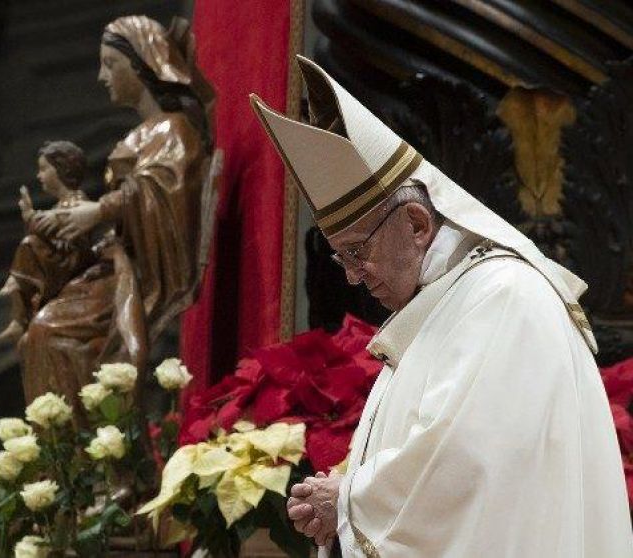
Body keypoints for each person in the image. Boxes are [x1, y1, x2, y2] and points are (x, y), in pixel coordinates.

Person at [251, 56, 632, 557]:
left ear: (416, 224)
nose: (350, 275)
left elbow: (466, 463)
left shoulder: (504, 296)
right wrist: (342, 507)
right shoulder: (444, 304)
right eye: (339, 257)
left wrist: (349, 502)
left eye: (357, 252)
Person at [17, 16, 213, 407]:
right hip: (120, 261)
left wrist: (99, 211)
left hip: (145, 271)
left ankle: (82, 442)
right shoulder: (140, 136)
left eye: (110, 64)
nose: (101, 76)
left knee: (50, 332)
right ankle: (69, 447)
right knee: (39, 327)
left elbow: (162, 192)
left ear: (142, 64)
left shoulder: (174, 130)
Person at [0, 141, 94, 343]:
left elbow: (58, 227)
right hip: (57, 259)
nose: (38, 175)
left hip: (71, 261)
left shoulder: (79, 201)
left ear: (62, 169)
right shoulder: (58, 205)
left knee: (29, 245)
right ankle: (18, 317)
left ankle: (18, 318)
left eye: (43, 169)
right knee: (29, 246)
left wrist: (31, 217)